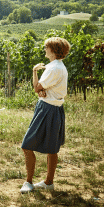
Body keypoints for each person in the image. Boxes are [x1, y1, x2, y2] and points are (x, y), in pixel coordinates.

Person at [20, 37, 71, 193]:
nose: (44, 49)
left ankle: (28, 182)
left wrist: (34, 72)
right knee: (52, 147)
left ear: (53, 50)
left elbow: (37, 88)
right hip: (56, 108)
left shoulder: (53, 68)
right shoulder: (60, 67)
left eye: (46, 47)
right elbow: (43, 89)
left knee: (27, 145)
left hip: (47, 108)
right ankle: (49, 182)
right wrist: (43, 90)